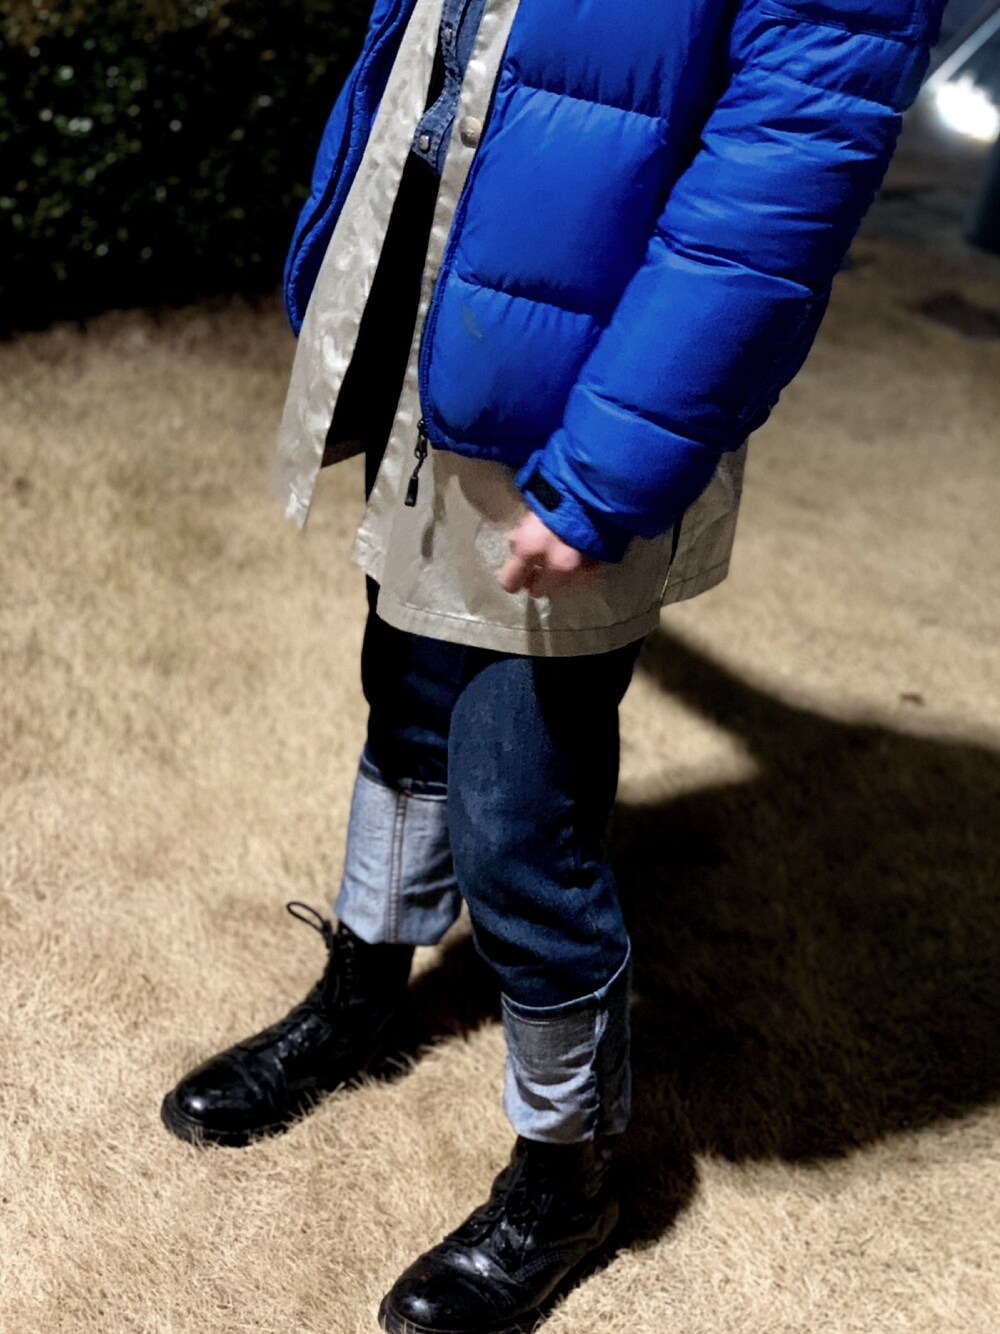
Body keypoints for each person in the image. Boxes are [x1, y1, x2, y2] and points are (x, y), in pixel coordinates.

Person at [161, 1, 944, 1331]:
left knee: (521, 809)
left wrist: (605, 476)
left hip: (583, 395)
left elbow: (780, 181)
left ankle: (565, 1174)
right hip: (446, 315)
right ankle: (362, 993)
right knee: (406, 698)